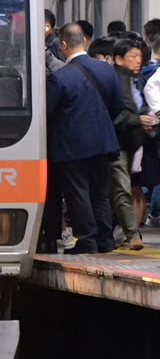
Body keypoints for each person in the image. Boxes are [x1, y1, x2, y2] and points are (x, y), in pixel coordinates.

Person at [45, 24, 123, 254]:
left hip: (72, 146)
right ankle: (104, 240)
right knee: (100, 193)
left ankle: (87, 240)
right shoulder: (106, 70)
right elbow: (118, 105)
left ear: (63, 44)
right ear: (85, 41)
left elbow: (48, 115)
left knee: (78, 193)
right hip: (103, 142)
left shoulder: (60, 77)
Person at [108, 38, 156, 249]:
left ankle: (113, 230)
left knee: (122, 188)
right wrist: (139, 120)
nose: (138, 61)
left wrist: (149, 117)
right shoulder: (113, 82)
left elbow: (140, 106)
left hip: (133, 142)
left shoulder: (136, 80)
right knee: (121, 187)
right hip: (117, 142)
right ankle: (132, 233)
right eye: (133, 57)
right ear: (118, 59)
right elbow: (113, 115)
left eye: (139, 57)